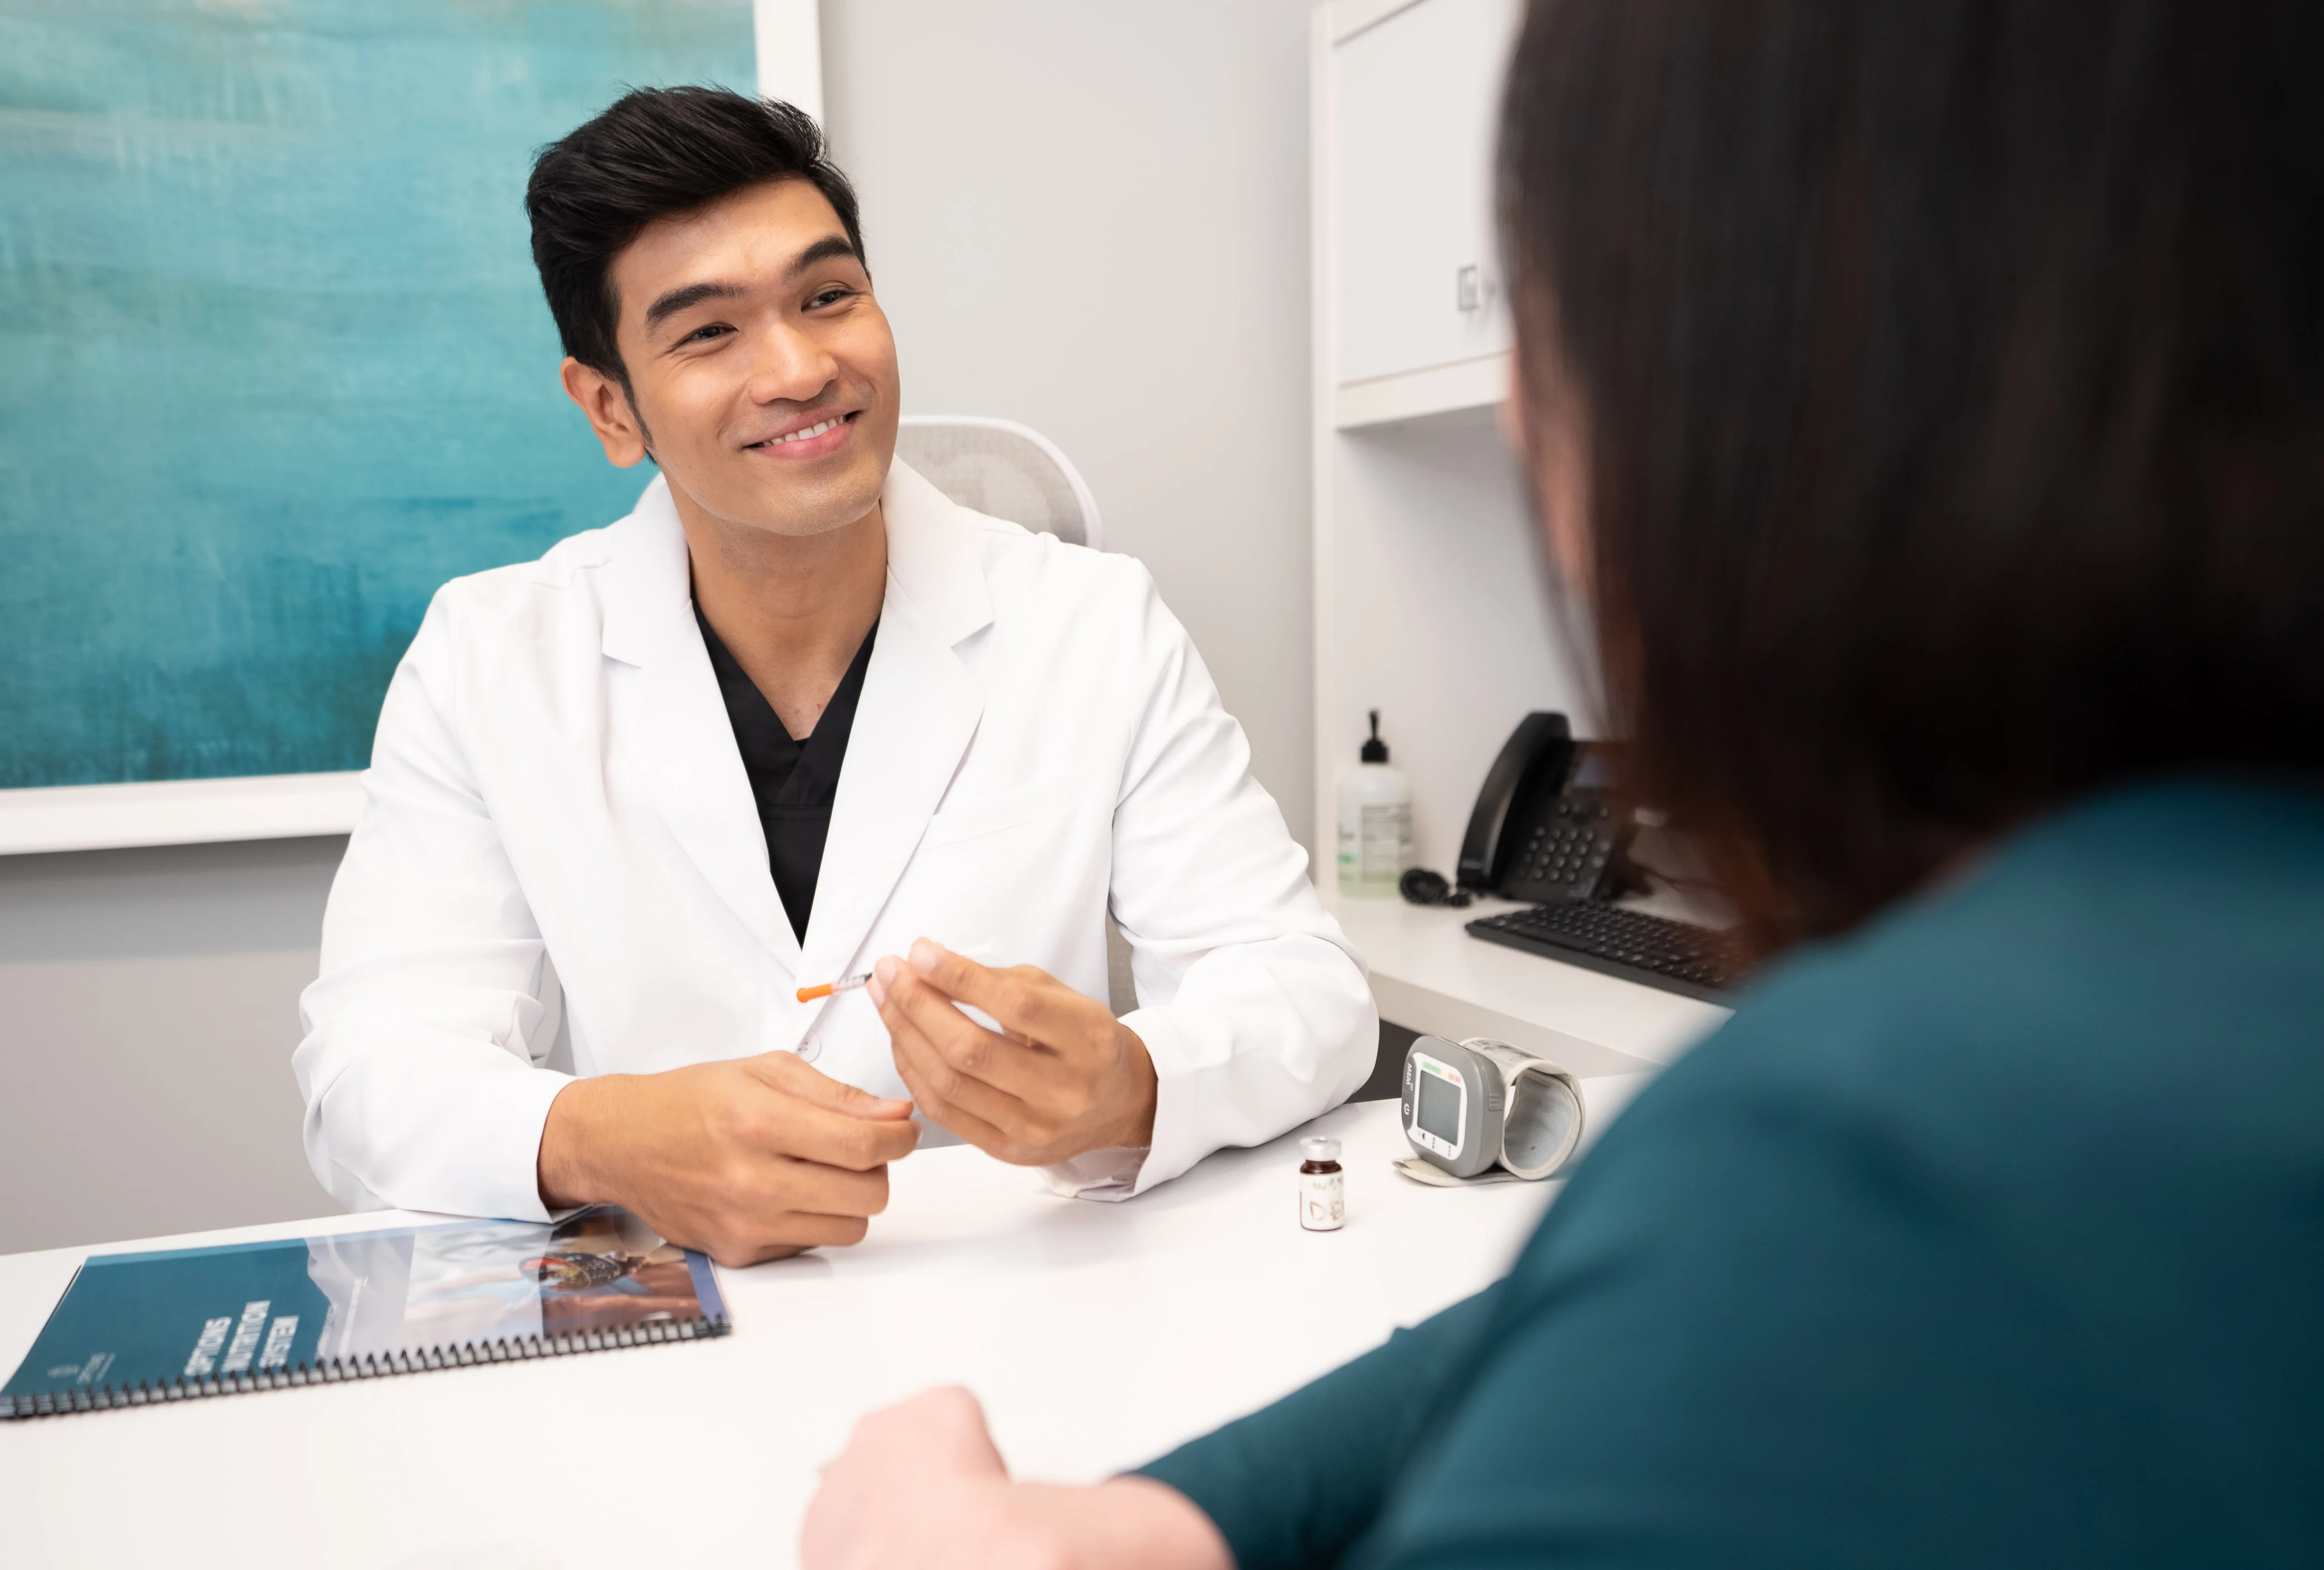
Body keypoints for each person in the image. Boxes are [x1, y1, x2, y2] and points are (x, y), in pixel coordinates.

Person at [800, 0, 2324, 1563]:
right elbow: (1640, 1315)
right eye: (706, 330)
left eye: (1556, 312)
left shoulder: (1884, 1142)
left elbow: (1694, 1251)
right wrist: (1179, 1516)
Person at [293, 88, 1377, 1267]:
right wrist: (600, 1136)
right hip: (675, 1331)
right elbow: (365, 1076)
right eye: (708, 333)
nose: (802, 369)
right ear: (611, 406)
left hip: (1025, 1306)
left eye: (828, 297)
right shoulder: (490, 659)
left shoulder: (1089, 621)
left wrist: (1136, 1081)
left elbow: (1306, 993)